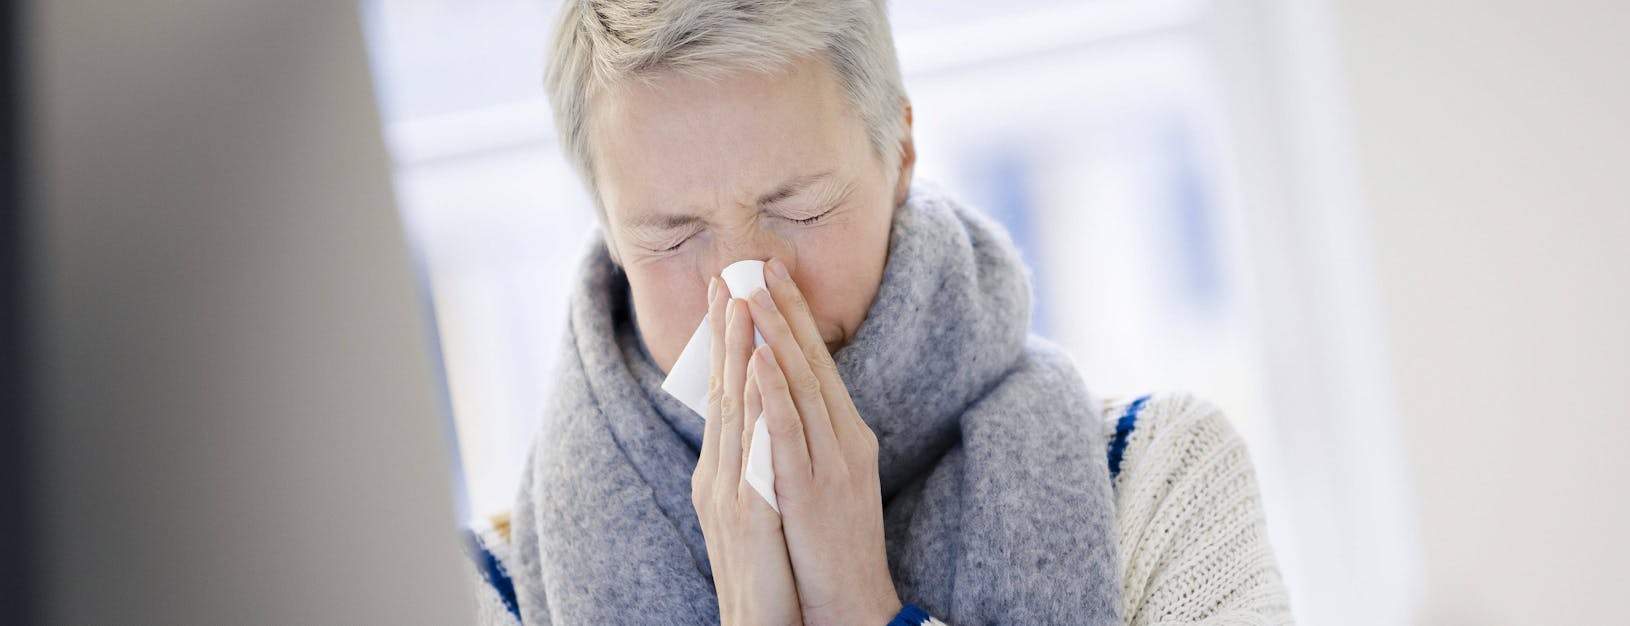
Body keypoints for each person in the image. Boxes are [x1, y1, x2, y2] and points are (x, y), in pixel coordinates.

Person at [464, 1, 1293, 624]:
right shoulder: (479, 594)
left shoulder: (1157, 484)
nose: (745, 286)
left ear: (899, 153)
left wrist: (864, 606)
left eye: (799, 209)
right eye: (675, 236)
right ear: (609, 233)